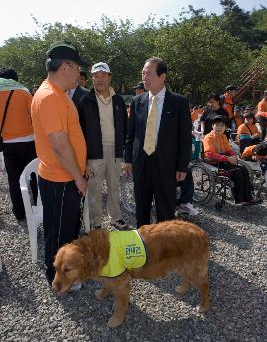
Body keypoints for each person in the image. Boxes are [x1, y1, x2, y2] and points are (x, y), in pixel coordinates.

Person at [31, 41, 88, 286]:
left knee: (64, 228)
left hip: (62, 176)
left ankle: (65, 272)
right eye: (77, 68)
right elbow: (60, 145)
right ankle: (57, 279)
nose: (79, 74)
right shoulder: (50, 97)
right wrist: (78, 177)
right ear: (66, 66)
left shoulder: (56, 93)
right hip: (61, 178)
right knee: (60, 232)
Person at [124, 57, 192, 227]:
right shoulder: (137, 101)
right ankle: (144, 245)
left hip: (166, 165)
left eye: (149, 74)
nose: (144, 78)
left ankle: (165, 248)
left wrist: (182, 166)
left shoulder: (179, 102)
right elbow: (131, 134)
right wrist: (128, 160)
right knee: (141, 209)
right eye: (143, 73)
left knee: (166, 210)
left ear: (163, 76)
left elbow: (184, 138)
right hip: (141, 163)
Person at [78, 62, 128, 229]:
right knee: (94, 188)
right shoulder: (85, 100)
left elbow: (125, 126)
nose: (99, 79)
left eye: (103, 75)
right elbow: (80, 131)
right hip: (94, 151)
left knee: (114, 186)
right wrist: (83, 159)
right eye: (95, 76)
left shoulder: (119, 100)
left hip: (115, 150)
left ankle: (116, 218)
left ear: (109, 77)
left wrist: (125, 151)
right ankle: (95, 222)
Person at [0, 68, 37, 222]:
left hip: (7, 143)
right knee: (34, 176)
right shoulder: (24, 93)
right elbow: (35, 115)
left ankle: (19, 213)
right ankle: (36, 205)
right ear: (15, 78)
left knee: (14, 179)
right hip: (28, 141)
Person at [203, 115, 260, 205]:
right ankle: (240, 199)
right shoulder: (208, 137)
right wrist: (227, 158)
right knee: (236, 172)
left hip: (224, 161)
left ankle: (248, 197)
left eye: (222, 125)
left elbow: (229, 149)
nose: (219, 127)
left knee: (244, 169)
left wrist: (233, 156)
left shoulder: (223, 137)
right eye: (217, 125)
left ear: (225, 128)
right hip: (214, 163)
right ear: (212, 126)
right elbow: (209, 154)